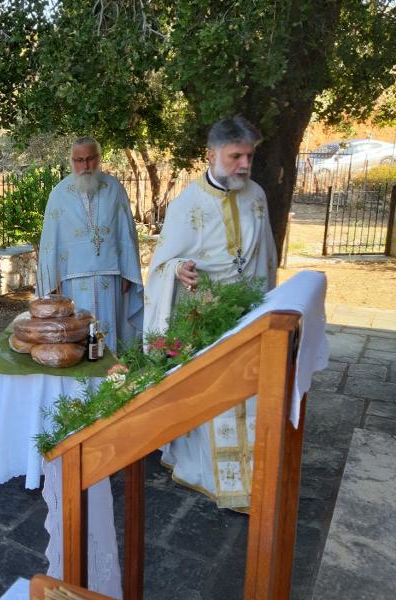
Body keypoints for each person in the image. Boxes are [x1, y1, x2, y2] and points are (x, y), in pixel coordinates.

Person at [144, 116, 278, 510]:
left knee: (250, 396)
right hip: (205, 317)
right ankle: (206, 472)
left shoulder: (257, 196)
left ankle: (251, 477)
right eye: (235, 155)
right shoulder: (188, 202)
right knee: (212, 396)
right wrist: (177, 269)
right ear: (211, 154)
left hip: (250, 315)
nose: (243, 164)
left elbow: (266, 256)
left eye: (248, 156)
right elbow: (161, 265)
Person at [37, 136, 144, 352]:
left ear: (98, 158)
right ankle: (83, 385)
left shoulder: (114, 188)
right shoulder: (58, 194)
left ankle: (112, 380)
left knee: (109, 335)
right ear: (71, 161)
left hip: (111, 278)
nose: (85, 166)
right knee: (79, 339)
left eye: (90, 159)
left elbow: (126, 232)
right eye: (79, 160)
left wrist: (128, 272)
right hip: (72, 282)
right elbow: (50, 241)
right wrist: (52, 282)